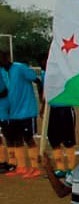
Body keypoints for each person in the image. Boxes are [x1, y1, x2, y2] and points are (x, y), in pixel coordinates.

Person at [0, 49, 42, 178]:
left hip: (27, 110)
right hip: (14, 113)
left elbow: (37, 80)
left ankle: (35, 168)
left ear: (6, 57)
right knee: (17, 139)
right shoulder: (2, 72)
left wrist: (42, 97)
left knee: (28, 138)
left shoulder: (20, 67)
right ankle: (21, 167)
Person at [39, 62, 77, 178]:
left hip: (65, 108)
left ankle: (72, 169)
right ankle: (60, 168)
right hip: (51, 109)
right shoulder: (44, 74)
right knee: (54, 140)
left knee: (68, 140)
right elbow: (46, 92)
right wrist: (43, 107)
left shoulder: (65, 71)